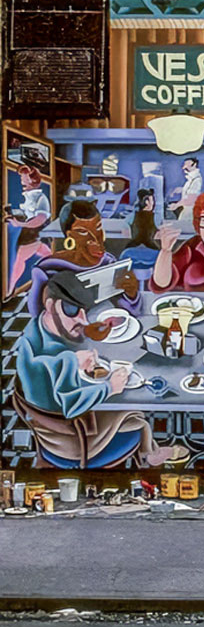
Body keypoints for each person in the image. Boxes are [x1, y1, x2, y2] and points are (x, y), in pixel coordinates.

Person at [16, 271, 185, 468]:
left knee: (129, 410)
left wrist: (76, 362)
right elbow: (70, 405)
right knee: (134, 413)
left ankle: (148, 452)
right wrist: (109, 387)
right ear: (50, 305)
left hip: (50, 429)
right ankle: (147, 455)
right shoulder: (60, 360)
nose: (82, 320)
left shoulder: (36, 329)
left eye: (82, 310)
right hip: (72, 442)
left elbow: (51, 375)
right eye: (71, 309)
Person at [28, 199, 141, 317]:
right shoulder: (48, 268)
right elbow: (37, 317)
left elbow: (129, 312)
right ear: (69, 235)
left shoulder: (109, 262)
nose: (95, 239)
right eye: (82, 231)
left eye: (98, 227)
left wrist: (131, 295)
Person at [5, 165, 52, 296]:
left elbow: (40, 219)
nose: (21, 180)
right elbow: (29, 214)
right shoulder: (30, 196)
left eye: (24, 177)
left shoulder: (41, 198)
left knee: (19, 258)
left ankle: (10, 290)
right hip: (33, 234)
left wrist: (19, 223)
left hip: (34, 234)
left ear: (32, 180)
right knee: (48, 256)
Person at [119, 189, 160, 279]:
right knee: (162, 258)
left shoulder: (132, 215)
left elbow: (124, 230)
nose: (153, 203)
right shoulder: (156, 217)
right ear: (147, 202)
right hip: (151, 251)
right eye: (152, 200)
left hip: (131, 251)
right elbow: (159, 231)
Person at [168, 157, 202, 221]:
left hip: (190, 212)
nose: (184, 167)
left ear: (194, 165)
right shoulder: (191, 179)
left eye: (187, 164)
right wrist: (180, 189)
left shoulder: (197, 180)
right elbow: (189, 191)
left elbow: (191, 199)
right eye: (184, 164)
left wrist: (176, 205)